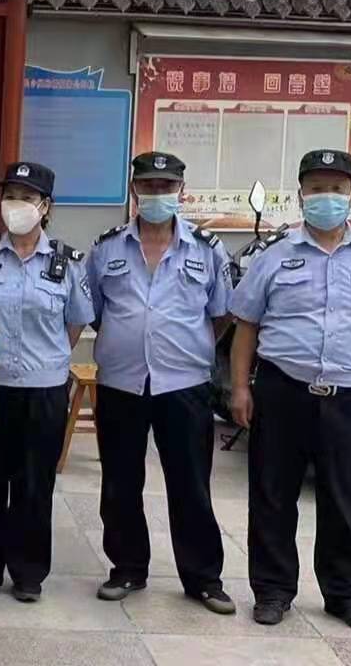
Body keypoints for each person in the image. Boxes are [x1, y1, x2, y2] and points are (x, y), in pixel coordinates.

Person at [229, 149, 351, 634]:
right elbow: (246, 325)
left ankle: (345, 595)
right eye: (317, 188)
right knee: (272, 495)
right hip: (282, 391)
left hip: (350, 398)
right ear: (301, 194)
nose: (327, 196)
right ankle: (272, 590)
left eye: (336, 188)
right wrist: (240, 387)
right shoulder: (274, 255)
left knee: (347, 500)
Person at [86, 151, 235, 614]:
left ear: (181, 192)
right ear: (134, 190)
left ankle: (203, 578)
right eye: (148, 186)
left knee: (190, 483)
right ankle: (127, 567)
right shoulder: (106, 248)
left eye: (165, 187)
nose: (157, 194)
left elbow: (222, 314)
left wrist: (186, 346)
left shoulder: (207, 250)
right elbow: (94, 310)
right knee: (120, 481)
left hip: (184, 383)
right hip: (121, 382)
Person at [0, 161, 95, 603]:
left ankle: (29, 572)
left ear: (45, 207)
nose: (16, 205)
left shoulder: (67, 263)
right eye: (10, 196)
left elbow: (76, 322)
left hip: (44, 390)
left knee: (35, 485)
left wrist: (48, 359)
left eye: (27, 198)